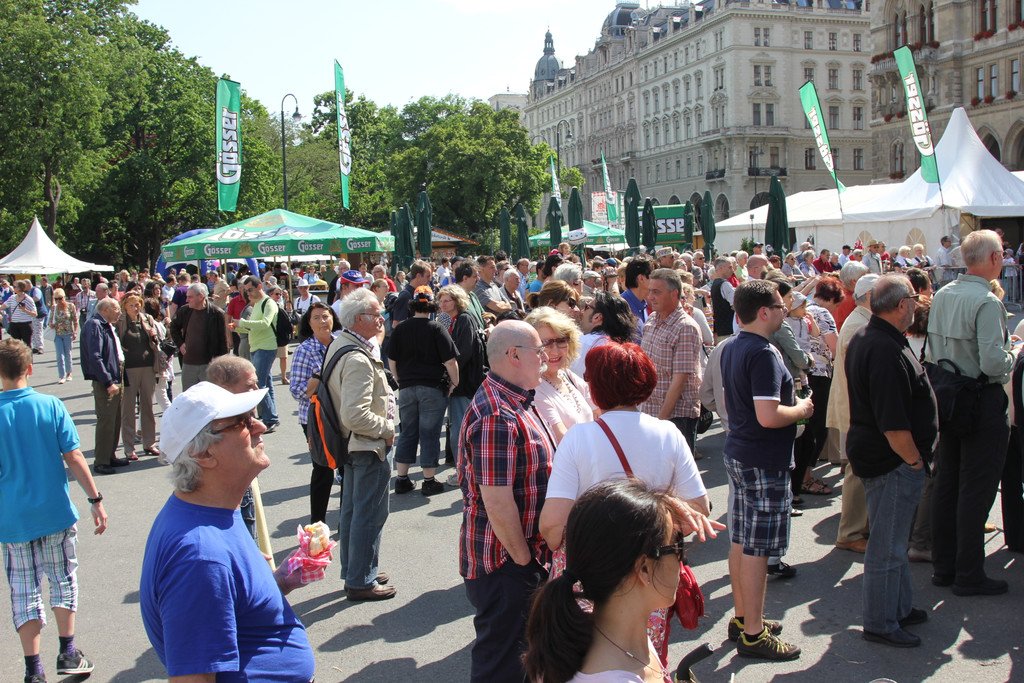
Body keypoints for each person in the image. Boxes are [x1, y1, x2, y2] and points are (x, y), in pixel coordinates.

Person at [539, 342, 710, 661]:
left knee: (587, 661)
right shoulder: (669, 434)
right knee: (644, 661)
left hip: (590, 570)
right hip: (649, 570)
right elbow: (697, 512)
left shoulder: (579, 437)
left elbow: (551, 527)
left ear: (595, 386)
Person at [140, 382, 317, 680]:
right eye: (243, 422)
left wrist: (277, 582)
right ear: (204, 454)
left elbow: (231, 603)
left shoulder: (213, 510)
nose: (260, 425)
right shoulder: (200, 556)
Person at [527, 479, 717, 682]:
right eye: (676, 545)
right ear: (644, 568)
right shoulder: (617, 665)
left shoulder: (601, 633)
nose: (682, 559)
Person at [0, 338, 107, 683]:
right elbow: (73, 456)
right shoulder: (50, 405)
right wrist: (95, 499)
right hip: (55, 511)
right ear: (30, 369)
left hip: (13, 518)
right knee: (63, 579)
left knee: (23, 591)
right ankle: (68, 651)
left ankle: (33, 669)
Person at [720, 279, 813, 661]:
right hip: (761, 459)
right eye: (778, 305)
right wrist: (803, 408)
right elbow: (768, 415)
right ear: (763, 312)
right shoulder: (763, 352)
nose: (784, 310)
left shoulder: (732, 345)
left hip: (742, 452)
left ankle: (744, 618)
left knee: (742, 541)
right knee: (756, 548)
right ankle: (753, 633)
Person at [458, 321, 554, 683]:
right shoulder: (497, 414)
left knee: (522, 660)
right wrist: (524, 561)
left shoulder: (515, 400)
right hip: (505, 563)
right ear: (514, 355)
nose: (545, 358)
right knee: (501, 665)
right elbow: (497, 502)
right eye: (539, 351)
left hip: (517, 559)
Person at [844, 274, 936, 648]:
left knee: (893, 540)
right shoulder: (882, 347)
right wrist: (914, 461)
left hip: (885, 457)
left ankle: (897, 607)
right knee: (888, 544)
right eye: (913, 300)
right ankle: (881, 621)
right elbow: (894, 425)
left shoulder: (878, 337)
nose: (916, 305)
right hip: (890, 461)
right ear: (901, 306)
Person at [926, 229, 1014, 595]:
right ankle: (968, 572)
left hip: (948, 392)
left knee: (948, 481)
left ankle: (945, 566)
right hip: (978, 397)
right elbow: (993, 362)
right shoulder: (987, 301)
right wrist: (1013, 357)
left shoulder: (945, 292)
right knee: (975, 488)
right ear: (993, 258)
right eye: (1001, 254)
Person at [325, 288, 398, 600]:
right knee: (368, 514)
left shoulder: (343, 344)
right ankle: (361, 580)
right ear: (357, 319)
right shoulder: (356, 357)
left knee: (354, 512)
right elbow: (355, 415)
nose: (381, 319)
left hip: (353, 445)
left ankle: (359, 569)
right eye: (375, 314)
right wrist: (388, 429)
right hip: (367, 445)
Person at [388, 286, 459, 497]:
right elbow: (450, 361)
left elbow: (392, 359)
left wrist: (399, 379)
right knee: (430, 433)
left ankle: (402, 478)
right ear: (432, 307)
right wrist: (454, 382)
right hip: (432, 387)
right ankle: (428, 480)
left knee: (407, 431)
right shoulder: (436, 328)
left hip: (407, 387)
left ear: (412, 306)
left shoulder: (401, 328)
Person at [827, 273, 879, 553]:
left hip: (857, 409)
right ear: (871, 296)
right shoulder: (860, 325)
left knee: (861, 470)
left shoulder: (862, 320)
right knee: (858, 471)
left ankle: (857, 528)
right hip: (857, 411)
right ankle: (851, 532)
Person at [640, 269, 703, 453]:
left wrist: (660, 422)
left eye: (656, 292)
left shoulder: (685, 327)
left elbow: (679, 381)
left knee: (675, 470)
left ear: (674, 294)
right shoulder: (652, 319)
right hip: (650, 413)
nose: (650, 297)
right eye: (649, 291)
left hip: (675, 417)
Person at [289, 303, 341, 524]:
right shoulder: (305, 350)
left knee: (347, 468)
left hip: (342, 415)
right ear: (309, 324)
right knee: (323, 469)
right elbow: (297, 390)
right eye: (317, 318)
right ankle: (317, 524)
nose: (322, 321)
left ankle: (346, 520)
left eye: (326, 316)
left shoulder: (340, 344)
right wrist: (318, 378)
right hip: (316, 417)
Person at [438, 285, 486, 482]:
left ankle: (463, 474)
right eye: (440, 301)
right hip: (460, 381)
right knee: (459, 427)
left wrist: (451, 376)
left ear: (456, 301)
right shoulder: (450, 320)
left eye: (447, 300)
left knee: (460, 429)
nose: (442, 304)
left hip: (464, 382)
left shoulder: (464, 319)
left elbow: (463, 353)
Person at [527, 307, 594, 445]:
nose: (555, 351)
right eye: (546, 343)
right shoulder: (533, 388)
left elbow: (598, 415)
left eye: (561, 341)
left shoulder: (567, 375)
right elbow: (563, 439)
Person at [81, 298, 127, 476]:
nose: (119, 312)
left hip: (115, 374)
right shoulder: (95, 324)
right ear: (106, 309)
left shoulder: (105, 324)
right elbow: (95, 356)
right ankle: (101, 461)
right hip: (106, 379)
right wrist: (108, 382)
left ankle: (110, 455)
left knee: (115, 419)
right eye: (116, 309)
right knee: (106, 420)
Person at [230, 277, 280, 432]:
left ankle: (271, 418)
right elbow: (254, 328)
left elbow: (265, 324)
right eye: (246, 291)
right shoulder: (257, 304)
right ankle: (270, 417)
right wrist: (237, 328)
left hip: (266, 347)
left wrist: (241, 323)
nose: (248, 293)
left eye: (250, 290)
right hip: (257, 347)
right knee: (266, 384)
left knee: (259, 384)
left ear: (259, 287)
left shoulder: (268, 303)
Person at [116, 293, 161, 461]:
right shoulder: (120, 321)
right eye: (131, 305)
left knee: (147, 406)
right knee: (128, 409)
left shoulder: (147, 319)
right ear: (125, 307)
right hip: (128, 368)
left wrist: (154, 334)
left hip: (148, 366)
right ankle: (129, 448)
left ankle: (149, 443)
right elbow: (116, 342)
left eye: (137, 305)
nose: (135, 308)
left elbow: (157, 340)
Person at [169, 282, 229, 391]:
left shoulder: (216, 314)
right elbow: (173, 327)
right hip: (188, 364)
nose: (187, 300)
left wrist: (222, 366)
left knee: (210, 397)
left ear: (201, 296)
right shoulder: (184, 311)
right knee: (189, 397)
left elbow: (223, 342)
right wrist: (180, 344)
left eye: (190, 297)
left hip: (209, 365)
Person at [572, 291, 637, 376]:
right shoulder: (627, 351)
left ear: (597, 317)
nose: (581, 311)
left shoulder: (581, 343)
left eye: (587, 307)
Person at [48, 288, 78, 384]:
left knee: (68, 354)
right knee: (59, 355)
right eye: (56, 299)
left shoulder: (70, 306)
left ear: (64, 297)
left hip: (68, 333)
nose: (58, 301)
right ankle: (62, 376)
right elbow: (49, 320)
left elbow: (75, 320)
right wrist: (51, 324)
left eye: (60, 298)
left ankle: (69, 373)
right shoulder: (54, 307)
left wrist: (75, 332)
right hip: (57, 334)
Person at [391, 260, 432, 327]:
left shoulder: (421, 293)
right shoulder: (405, 296)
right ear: (418, 276)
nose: (430, 279)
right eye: (428, 276)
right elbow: (396, 325)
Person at [621, 257, 653, 329]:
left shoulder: (643, 303)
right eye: (652, 276)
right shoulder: (621, 307)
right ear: (641, 278)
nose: (654, 280)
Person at [3, 280, 37, 347]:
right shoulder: (12, 297)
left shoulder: (28, 299)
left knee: (26, 345)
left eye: (14, 286)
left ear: (19, 288)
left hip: (25, 325)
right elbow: (3, 306)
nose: (13, 288)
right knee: (15, 346)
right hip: (14, 324)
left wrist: (25, 310)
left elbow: (35, 314)